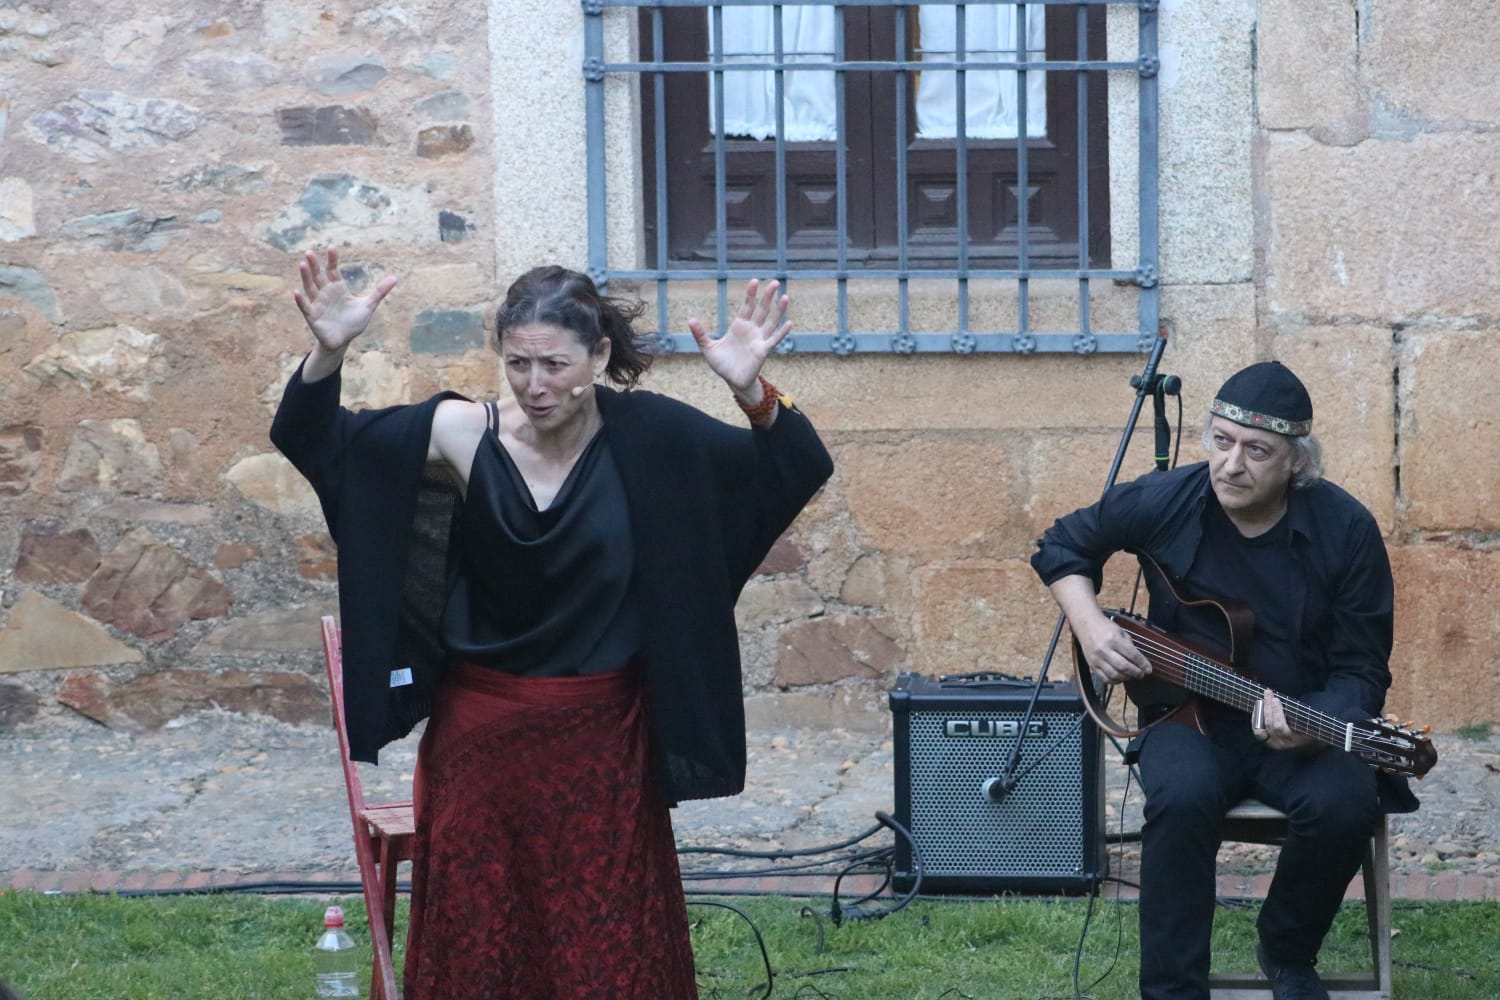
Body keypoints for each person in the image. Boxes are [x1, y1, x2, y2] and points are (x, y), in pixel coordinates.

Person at [271, 249, 833, 999]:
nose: (535, 385)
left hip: (605, 743)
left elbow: (796, 467)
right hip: (481, 742)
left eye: (556, 365)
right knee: (481, 945)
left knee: (609, 950)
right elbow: (315, 441)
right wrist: (329, 353)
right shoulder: (459, 433)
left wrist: (751, 391)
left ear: (598, 356)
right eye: (518, 363)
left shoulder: (652, 436)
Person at [1030, 361, 1417, 1000]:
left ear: (1295, 462)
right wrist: (1091, 626)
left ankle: (1287, 952)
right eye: (1221, 441)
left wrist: (1315, 722)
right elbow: (1062, 545)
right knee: (1181, 800)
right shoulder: (1169, 499)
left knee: (1345, 803)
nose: (1232, 465)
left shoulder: (1347, 530)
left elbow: (1363, 667)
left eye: (1257, 451)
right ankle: (1173, 989)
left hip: (1301, 719)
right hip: (1183, 716)